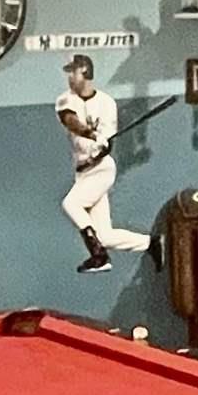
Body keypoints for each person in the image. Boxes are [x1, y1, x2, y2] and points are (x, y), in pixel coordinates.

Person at [54, 54, 150, 274]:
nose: (70, 77)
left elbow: (108, 142)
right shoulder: (65, 99)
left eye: (74, 72)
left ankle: (98, 254)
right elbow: (71, 121)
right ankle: (152, 243)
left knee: (71, 204)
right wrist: (91, 134)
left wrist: (103, 143)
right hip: (82, 171)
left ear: (85, 72)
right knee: (104, 235)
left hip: (101, 169)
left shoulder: (106, 103)